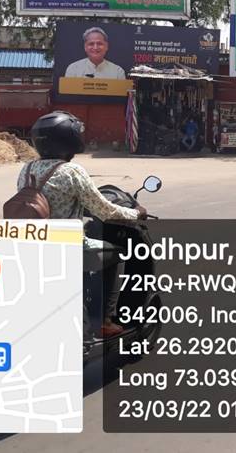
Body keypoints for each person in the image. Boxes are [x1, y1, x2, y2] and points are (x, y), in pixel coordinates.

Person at [21, 111, 148, 338]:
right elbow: (105, 210)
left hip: (35, 241)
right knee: (113, 255)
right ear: (69, 140)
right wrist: (136, 213)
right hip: (70, 244)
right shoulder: (71, 171)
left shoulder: (27, 170)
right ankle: (103, 320)